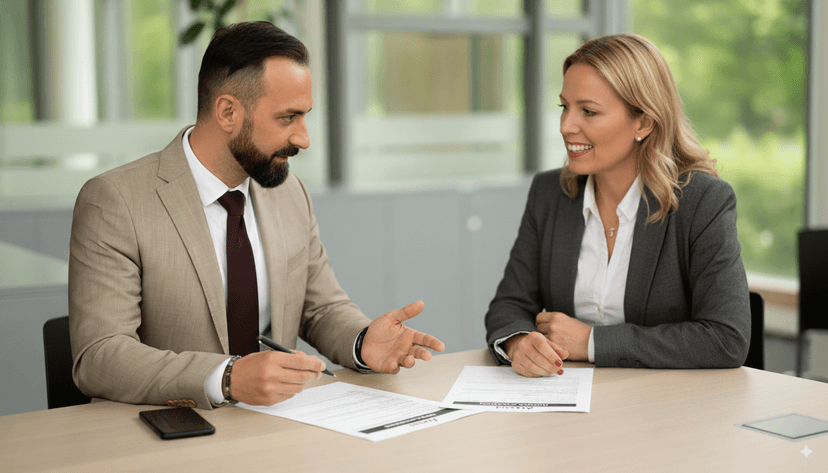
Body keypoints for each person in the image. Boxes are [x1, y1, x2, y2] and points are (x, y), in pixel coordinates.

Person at [69, 21, 444, 409]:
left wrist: (363, 341)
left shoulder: (289, 192)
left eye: (305, 117)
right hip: (167, 433)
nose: (304, 138)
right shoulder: (115, 201)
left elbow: (320, 308)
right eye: (287, 118)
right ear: (228, 112)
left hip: (274, 426)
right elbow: (100, 356)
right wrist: (227, 378)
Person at [484, 34, 750, 376]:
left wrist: (592, 342)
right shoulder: (549, 193)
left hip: (667, 411)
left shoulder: (703, 201)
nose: (566, 126)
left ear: (643, 121)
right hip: (567, 404)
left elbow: (727, 338)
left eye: (589, 111)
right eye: (565, 106)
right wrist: (520, 343)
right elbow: (510, 304)